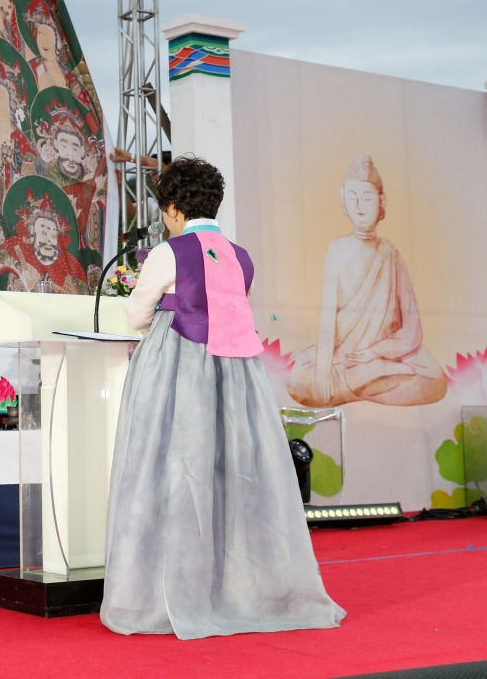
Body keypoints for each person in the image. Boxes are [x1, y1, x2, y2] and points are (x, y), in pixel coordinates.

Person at [101, 157, 344, 640]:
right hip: (236, 376)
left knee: (163, 470)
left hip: (176, 369)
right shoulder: (241, 256)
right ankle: (239, 590)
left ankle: (156, 596)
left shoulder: (169, 252)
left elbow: (135, 317)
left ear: (171, 208)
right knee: (230, 474)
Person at [286, 155, 447, 407]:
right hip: (345, 356)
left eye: (368, 197)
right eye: (353, 197)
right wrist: (324, 370)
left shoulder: (390, 254)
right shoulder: (337, 250)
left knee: (435, 380)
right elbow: (327, 320)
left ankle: (358, 383)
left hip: (384, 358)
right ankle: (363, 383)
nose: (360, 206)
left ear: (381, 203)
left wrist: (375, 352)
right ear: (343, 201)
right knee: (297, 379)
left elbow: (412, 329)